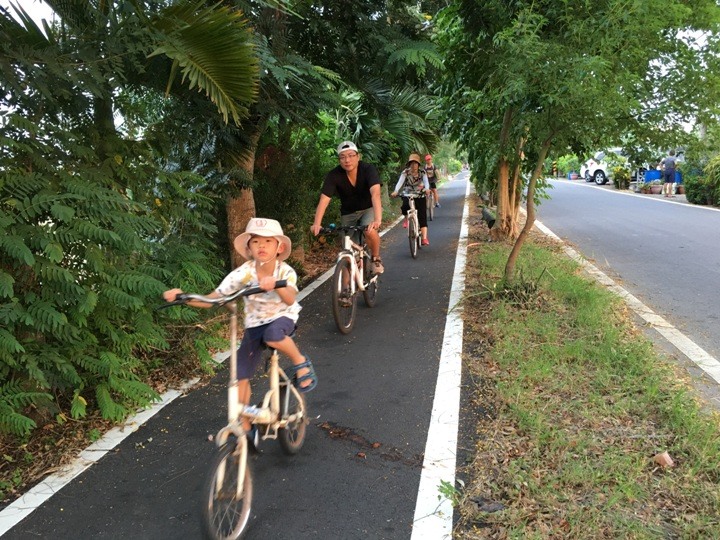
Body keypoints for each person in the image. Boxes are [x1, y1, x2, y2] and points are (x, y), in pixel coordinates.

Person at [162, 218, 317, 451]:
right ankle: (246, 423)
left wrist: (275, 283)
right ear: (249, 247)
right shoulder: (242, 273)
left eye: (267, 241)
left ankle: (300, 362)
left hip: (281, 318)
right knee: (240, 375)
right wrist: (184, 297)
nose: (261, 246)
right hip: (254, 325)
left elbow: (290, 298)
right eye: (256, 241)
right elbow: (214, 298)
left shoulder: (284, 270)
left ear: (279, 247)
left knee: (274, 335)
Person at [311, 141, 384, 274]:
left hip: (368, 208)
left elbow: (375, 194)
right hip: (348, 212)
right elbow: (324, 200)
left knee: (369, 229)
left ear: (358, 156)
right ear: (339, 160)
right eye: (343, 157)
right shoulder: (334, 175)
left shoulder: (368, 169)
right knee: (348, 250)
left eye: (350, 155)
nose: (347, 160)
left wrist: (377, 219)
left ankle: (376, 258)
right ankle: (344, 293)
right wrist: (317, 224)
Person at [391, 153, 431, 245]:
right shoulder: (405, 172)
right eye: (412, 163)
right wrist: (396, 191)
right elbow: (400, 182)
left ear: (418, 164)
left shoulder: (422, 172)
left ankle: (424, 238)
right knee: (405, 206)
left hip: (420, 194)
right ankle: (406, 218)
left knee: (422, 216)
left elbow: (426, 182)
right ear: (409, 164)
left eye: (415, 163)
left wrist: (427, 189)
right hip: (408, 193)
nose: (414, 165)